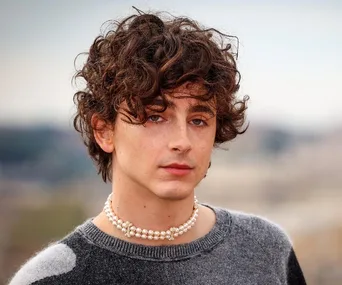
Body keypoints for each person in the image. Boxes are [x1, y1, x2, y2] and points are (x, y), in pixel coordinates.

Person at [9, 9, 306, 285]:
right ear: (104, 131)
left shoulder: (266, 251)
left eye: (199, 120)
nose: (182, 142)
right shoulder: (49, 278)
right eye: (154, 116)